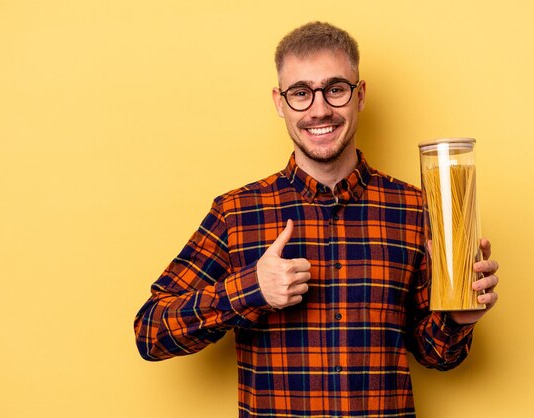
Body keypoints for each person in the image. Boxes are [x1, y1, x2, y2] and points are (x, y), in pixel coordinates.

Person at [134, 21, 499, 417]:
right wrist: (250, 290)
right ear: (279, 101)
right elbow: (150, 332)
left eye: (335, 89)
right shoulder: (236, 212)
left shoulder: (414, 210)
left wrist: (459, 318)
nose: (320, 109)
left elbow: (436, 356)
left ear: (360, 95)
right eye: (301, 93)